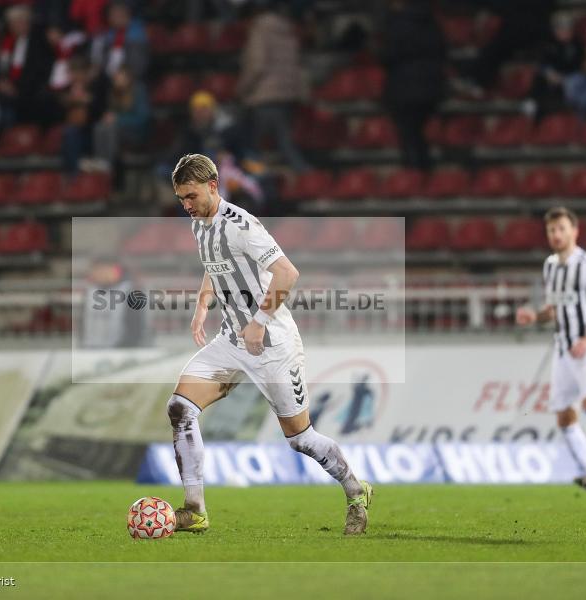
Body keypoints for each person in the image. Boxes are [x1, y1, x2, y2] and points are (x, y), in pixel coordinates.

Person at [166, 154, 373, 534]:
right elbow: (215, 268)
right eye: (181, 199)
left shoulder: (242, 225)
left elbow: (287, 273)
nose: (186, 206)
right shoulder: (199, 226)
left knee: (301, 439)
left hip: (273, 344)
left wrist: (260, 321)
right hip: (231, 340)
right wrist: (201, 306)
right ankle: (194, 510)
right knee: (180, 408)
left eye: (191, 196)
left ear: (213, 187)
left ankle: (356, 490)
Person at [516, 207, 586, 491]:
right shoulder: (550, 266)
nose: (557, 235)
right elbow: (554, 309)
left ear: (575, 231)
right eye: (551, 230)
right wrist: (535, 316)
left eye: (562, 229)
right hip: (563, 350)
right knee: (564, 415)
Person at [237, 1, 310, 172]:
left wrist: (241, 89)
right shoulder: (287, 31)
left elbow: (257, 65)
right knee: (284, 142)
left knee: (259, 147)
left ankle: (304, 175)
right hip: (287, 95)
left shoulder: (259, 30)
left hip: (265, 96)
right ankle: (305, 175)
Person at [380, 0, 446, 171]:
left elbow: (389, 55)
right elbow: (442, 50)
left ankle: (415, 173)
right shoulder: (431, 20)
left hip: (405, 87)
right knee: (417, 132)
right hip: (431, 85)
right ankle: (423, 172)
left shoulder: (397, 22)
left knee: (409, 133)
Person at [0, 4, 56, 126]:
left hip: (30, 90)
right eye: (11, 24)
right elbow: (3, 68)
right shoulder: (9, 43)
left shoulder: (39, 42)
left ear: (27, 23)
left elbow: (39, 70)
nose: (14, 27)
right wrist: (3, 83)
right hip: (10, 90)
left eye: (17, 23)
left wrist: (16, 88)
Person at [522, 12, 583, 122]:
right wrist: (549, 73)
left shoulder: (577, 45)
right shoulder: (548, 43)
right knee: (540, 81)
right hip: (551, 77)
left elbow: (579, 66)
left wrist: (563, 77)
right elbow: (541, 62)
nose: (565, 32)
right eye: (561, 29)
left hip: (569, 79)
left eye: (567, 29)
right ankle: (531, 103)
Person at [91, 65, 150, 170]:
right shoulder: (114, 92)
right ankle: (99, 160)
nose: (116, 80)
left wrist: (118, 119)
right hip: (119, 129)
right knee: (99, 127)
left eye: (119, 77)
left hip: (136, 132)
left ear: (127, 78)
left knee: (111, 128)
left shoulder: (138, 91)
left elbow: (142, 119)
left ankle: (108, 164)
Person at [90, 1, 149, 80]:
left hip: (131, 79)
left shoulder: (138, 34)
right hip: (106, 78)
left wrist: (124, 74)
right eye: (112, 14)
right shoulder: (105, 34)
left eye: (119, 14)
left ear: (127, 15)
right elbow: (97, 59)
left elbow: (138, 66)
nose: (115, 17)